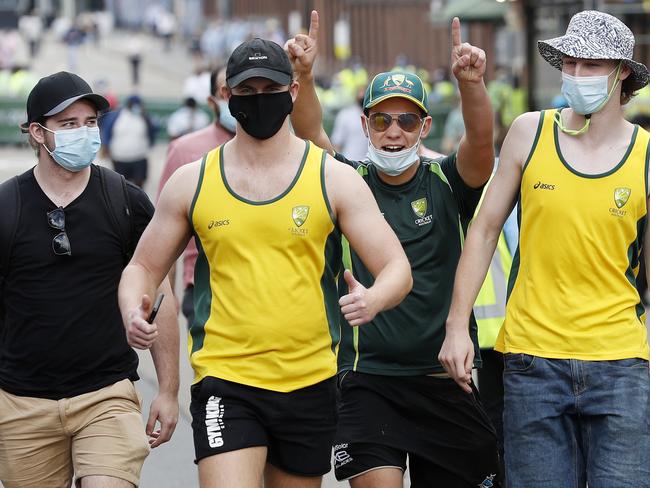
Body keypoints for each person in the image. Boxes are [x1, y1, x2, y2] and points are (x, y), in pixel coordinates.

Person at [119, 38, 412, 488]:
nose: (259, 100)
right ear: (227, 97)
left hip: (309, 380)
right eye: (247, 91)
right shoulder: (192, 181)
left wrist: (374, 299)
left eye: (269, 88)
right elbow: (142, 267)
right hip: (226, 378)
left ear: (292, 93)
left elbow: (396, 268)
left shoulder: (332, 178)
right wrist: (132, 309)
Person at [287, 12, 501, 488]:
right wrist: (302, 74)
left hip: (444, 378)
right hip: (369, 379)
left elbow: (482, 143)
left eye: (407, 120)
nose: (394, 131)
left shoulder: (448, 181)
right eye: (382, 119)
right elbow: (308, 136)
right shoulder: (346, 182)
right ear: (365, 124)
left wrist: (471, 83)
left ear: (425, 126)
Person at [439, 10, 650, 487]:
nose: (575, 75)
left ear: (623, 75)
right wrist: (456, 327)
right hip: (534, 364)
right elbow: (484, 229)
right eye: (569, 64)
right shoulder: (530, 132)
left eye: (591, 66)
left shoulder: (645, 154)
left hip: (621, 365)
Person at [0, 71, 179, 487]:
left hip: (107, 395)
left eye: (90, 122)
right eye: (69, 125)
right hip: (22, 402)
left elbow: (162, 293)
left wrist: (168, 391)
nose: (84, 133)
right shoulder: (7, 207)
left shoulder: (126, 201)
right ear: (37, 134)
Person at [158, 66, 235, 327]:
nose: (236, 96)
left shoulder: (282, 151)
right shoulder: (184, 151)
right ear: (213, 100)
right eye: (227, 89)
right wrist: (167, 298)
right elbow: (164, 237)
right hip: (206, 290)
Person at [100, 94, 157, 188]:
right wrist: (105, 147)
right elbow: (107, 131)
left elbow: (152, 131)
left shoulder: (144, 117)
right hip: (119, 159)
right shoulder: (116, 116)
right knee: (121, 186)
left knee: (139, 185)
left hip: (139, 158)